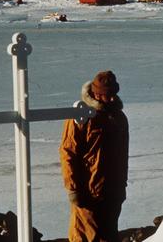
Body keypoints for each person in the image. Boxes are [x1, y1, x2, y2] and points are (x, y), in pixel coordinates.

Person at [59, 70, 129, 242]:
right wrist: (74, 189)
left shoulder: (119, 118)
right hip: (88, 193)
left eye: (113, 94)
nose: (112, 98)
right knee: (84, 237)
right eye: (107, 95)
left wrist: (121, 186)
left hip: (111, 193)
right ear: (96, 94)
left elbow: (123, 154)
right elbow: (68, 152)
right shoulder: (81, 118)